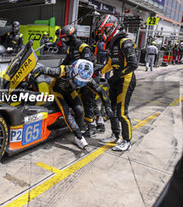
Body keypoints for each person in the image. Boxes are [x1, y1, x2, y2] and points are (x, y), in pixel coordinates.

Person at [30, 59, 113, 149]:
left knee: (80, 110)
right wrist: (30, 81)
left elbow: (101, 92)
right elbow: (41, 69)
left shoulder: (85, 76)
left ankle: (77, 133)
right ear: (72, 72)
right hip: (57, 91)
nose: (79, 84)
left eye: (82, 83)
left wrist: (108, 106)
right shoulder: (60, 71)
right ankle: (79, 137)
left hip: (70, 91)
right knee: (66, 112)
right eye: (78, 81)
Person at [95, 14, 138, 151]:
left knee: (121, 112)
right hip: (116, 79)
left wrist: (117, 76)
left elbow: (133, 64)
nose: (104, 33)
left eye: (105, 30)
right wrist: (99, 71)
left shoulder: (124, 41)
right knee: (111, 110)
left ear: (113, 27)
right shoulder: (112, 43)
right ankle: (116, 135)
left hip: (126, 80)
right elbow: (110, 63)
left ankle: (127, 141)